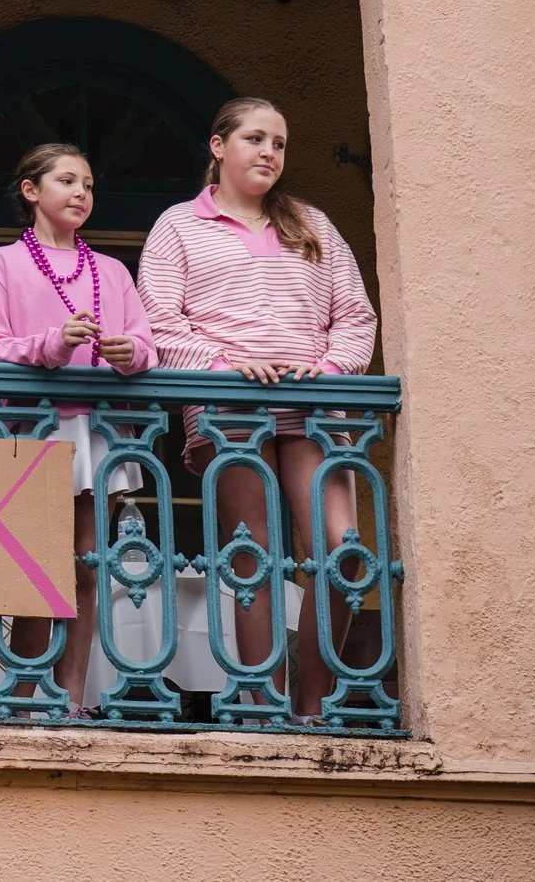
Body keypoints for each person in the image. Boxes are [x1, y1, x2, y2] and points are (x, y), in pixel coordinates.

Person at [139, 96, 377, 719]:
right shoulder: (178, 226)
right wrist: (224, 365)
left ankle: (312, 701)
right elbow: (160, 326)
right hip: (228, 407)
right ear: (218, 147)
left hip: (315, 409)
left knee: (343, 551)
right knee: (257, 557)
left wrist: (325, 370)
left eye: (278, 142)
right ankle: (263, 706)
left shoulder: (313, 224)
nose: (269, 152)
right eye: (254, 138)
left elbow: (355, 317)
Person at [0, 143, 158, 716]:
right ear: (31, 191)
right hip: (38, 429)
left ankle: (72, 697)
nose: (81, 193)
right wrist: (53, 344)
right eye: (67, 181)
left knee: (86, 564)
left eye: (89, 184)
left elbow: (147, 347)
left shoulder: (112, 270)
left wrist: (130, 353)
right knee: (36, 566)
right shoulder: (1, 264)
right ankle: (26, 696)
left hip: (98, 430)